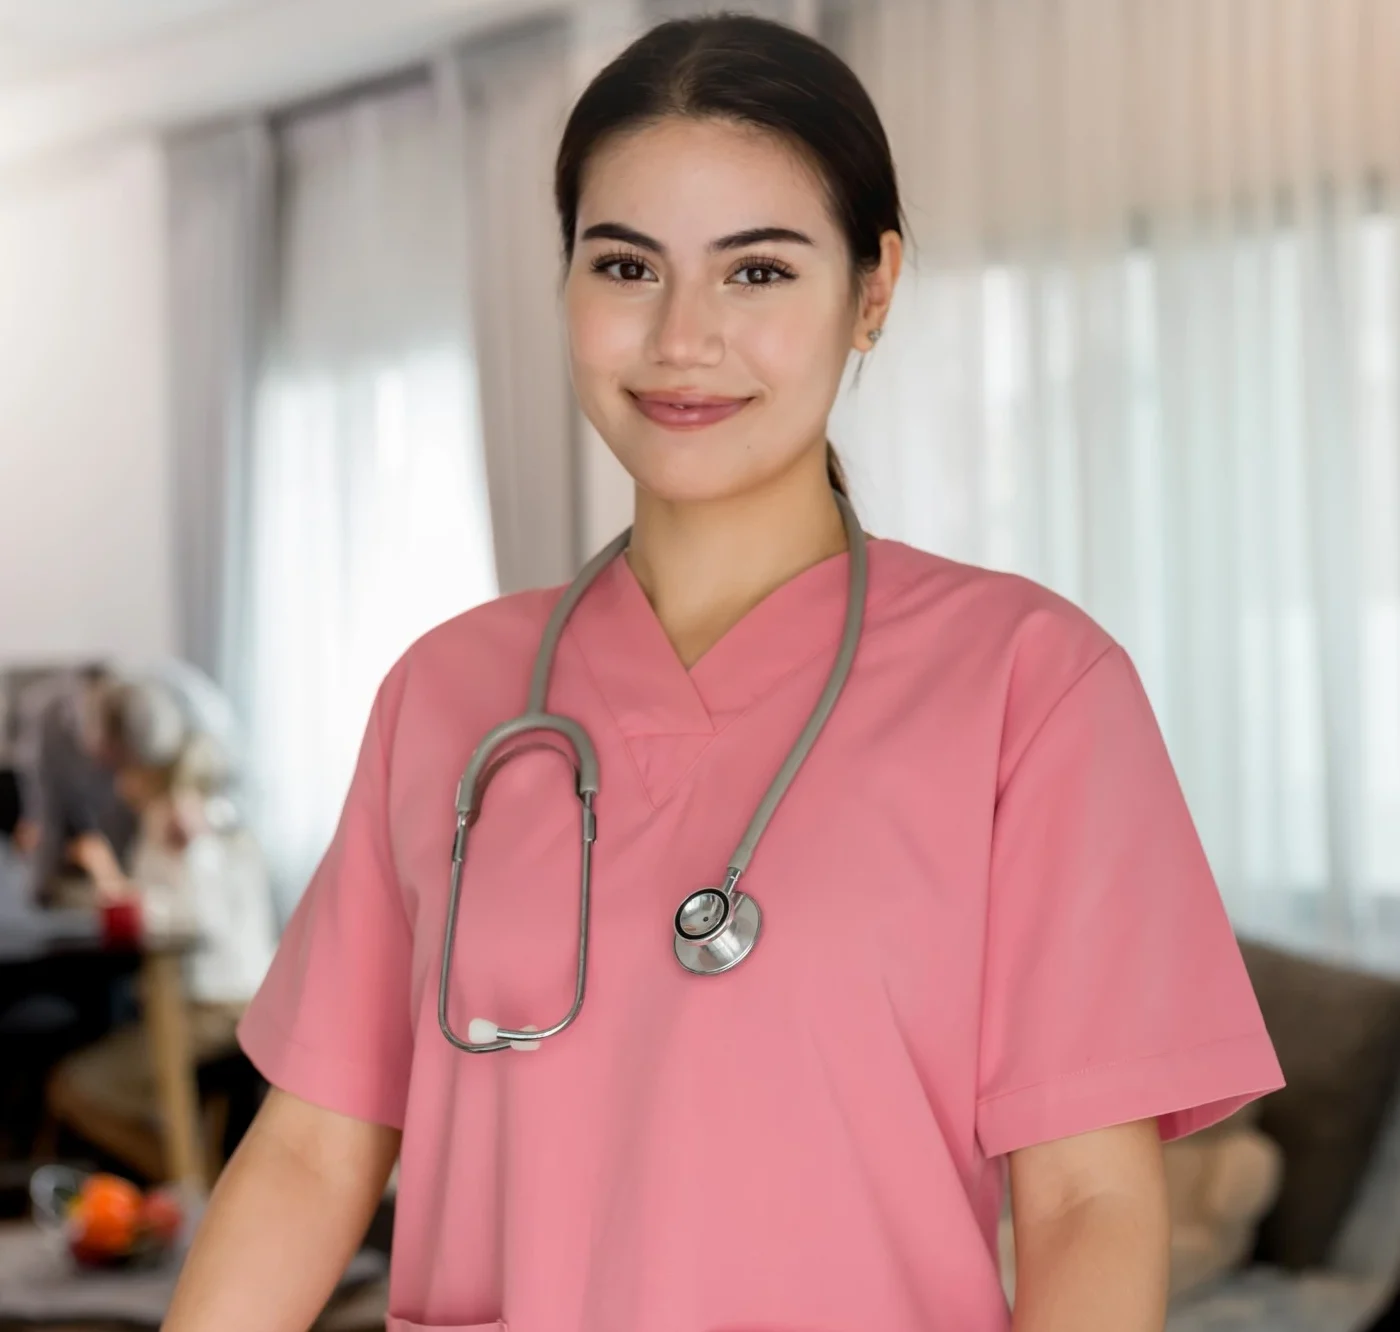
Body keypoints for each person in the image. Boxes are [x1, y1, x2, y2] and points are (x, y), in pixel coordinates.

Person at [165, 16, 1283, 1332]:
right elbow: (310, 1154)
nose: (681, 336)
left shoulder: (1034, 688)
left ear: (874, 290)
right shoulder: (448, 695)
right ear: (568, 283)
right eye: (627, 264)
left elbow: (1089, 1206)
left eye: (758, 273)